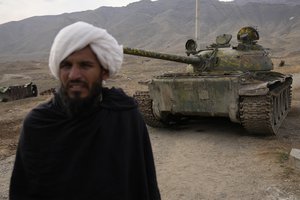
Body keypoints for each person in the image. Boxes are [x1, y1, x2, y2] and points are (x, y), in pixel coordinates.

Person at [9, 21, 161, 200]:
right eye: (66, 65)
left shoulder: (125, 116)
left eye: (85, 65)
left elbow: (145, 183)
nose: (74, 75)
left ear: (104, 72)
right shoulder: (39, 124)